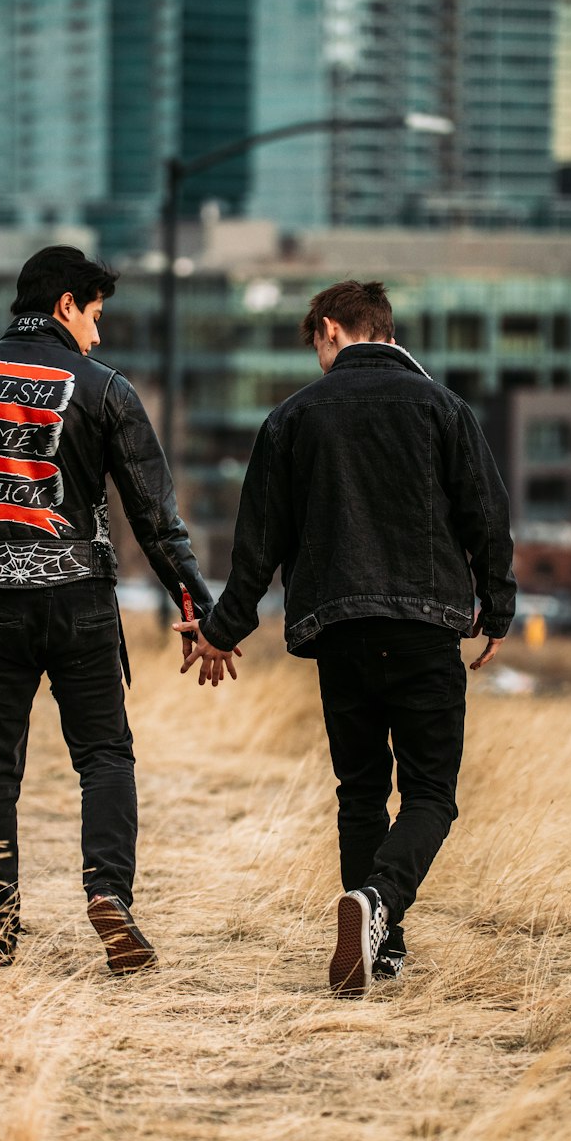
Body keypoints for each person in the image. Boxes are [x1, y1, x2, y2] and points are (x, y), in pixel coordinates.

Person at [176, 279, 516, 998]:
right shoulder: (444, 408)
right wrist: (499, 606)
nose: (318, 362)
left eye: (316, 347)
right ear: (385, 331)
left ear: (332, 329)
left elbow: (256, 548)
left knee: (361, 792)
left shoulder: (292, 418)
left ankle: (380, 946)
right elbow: (488, 514)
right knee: (431, 796)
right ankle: (381, 904)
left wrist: (221, 631)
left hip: (339, 632)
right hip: (426, 629)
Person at [0, 245, 213, 974]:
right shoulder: (107, 389)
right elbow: (155, 517)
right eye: (96, 315)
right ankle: (109, 894)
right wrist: (197, 605)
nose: (98, 336)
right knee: (104, 755)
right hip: (80, 601)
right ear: (65, 304)